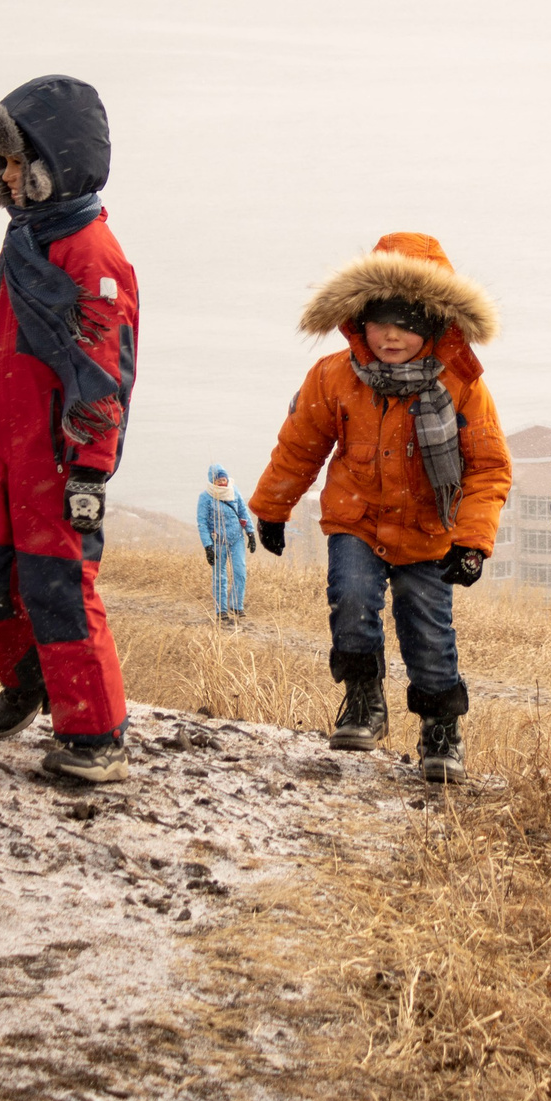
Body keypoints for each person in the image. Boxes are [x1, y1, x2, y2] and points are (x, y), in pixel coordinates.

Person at [250, 234, 510, 784]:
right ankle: (364, 699)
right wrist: (273, 508)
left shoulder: (462, 384)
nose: (392, 335)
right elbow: (300, 446)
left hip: (430, 532)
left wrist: (472, 541)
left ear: (438, 325)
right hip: (357, 518)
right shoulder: (332, 376)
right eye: (379, 320)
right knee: (350, 599)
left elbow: (487, 468)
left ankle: (441, 727)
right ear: (357, 319)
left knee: (429, 633)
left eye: (409, 322)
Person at [0, 76, 140, 784]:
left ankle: (96, 737)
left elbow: (101, 371)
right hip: (3, 454)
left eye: (10, 161)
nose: (0, 176)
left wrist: (91, 467)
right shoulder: (24, 236)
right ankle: (32, 680)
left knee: (60, 588)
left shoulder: (91, 254)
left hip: (56, 464)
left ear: (53, 163)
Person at [197, 462, 255, 623]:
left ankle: (236, 606)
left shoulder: (233, 491)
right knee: (219, 576)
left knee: (240, 571)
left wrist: (250, 533)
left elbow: (242, 511)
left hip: (237, 538)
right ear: (212, 481)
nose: (222, 482)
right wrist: (208, 546)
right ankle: (221, 610)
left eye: (223, 479)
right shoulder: (205, 497)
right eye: (218, 480)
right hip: (217, 542)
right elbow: (202, 522)